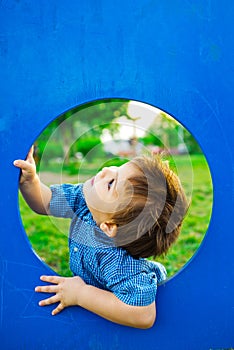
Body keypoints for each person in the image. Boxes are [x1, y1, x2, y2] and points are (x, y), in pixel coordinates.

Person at [13, 146, 188, 329]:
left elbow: (143, 315)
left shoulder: (118, 263)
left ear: (110, 226)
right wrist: (29, 181)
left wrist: (81, 294)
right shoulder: (86, 200)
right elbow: (47, 202)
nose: (106, 170)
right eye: (118, 168)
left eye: (111, 183)